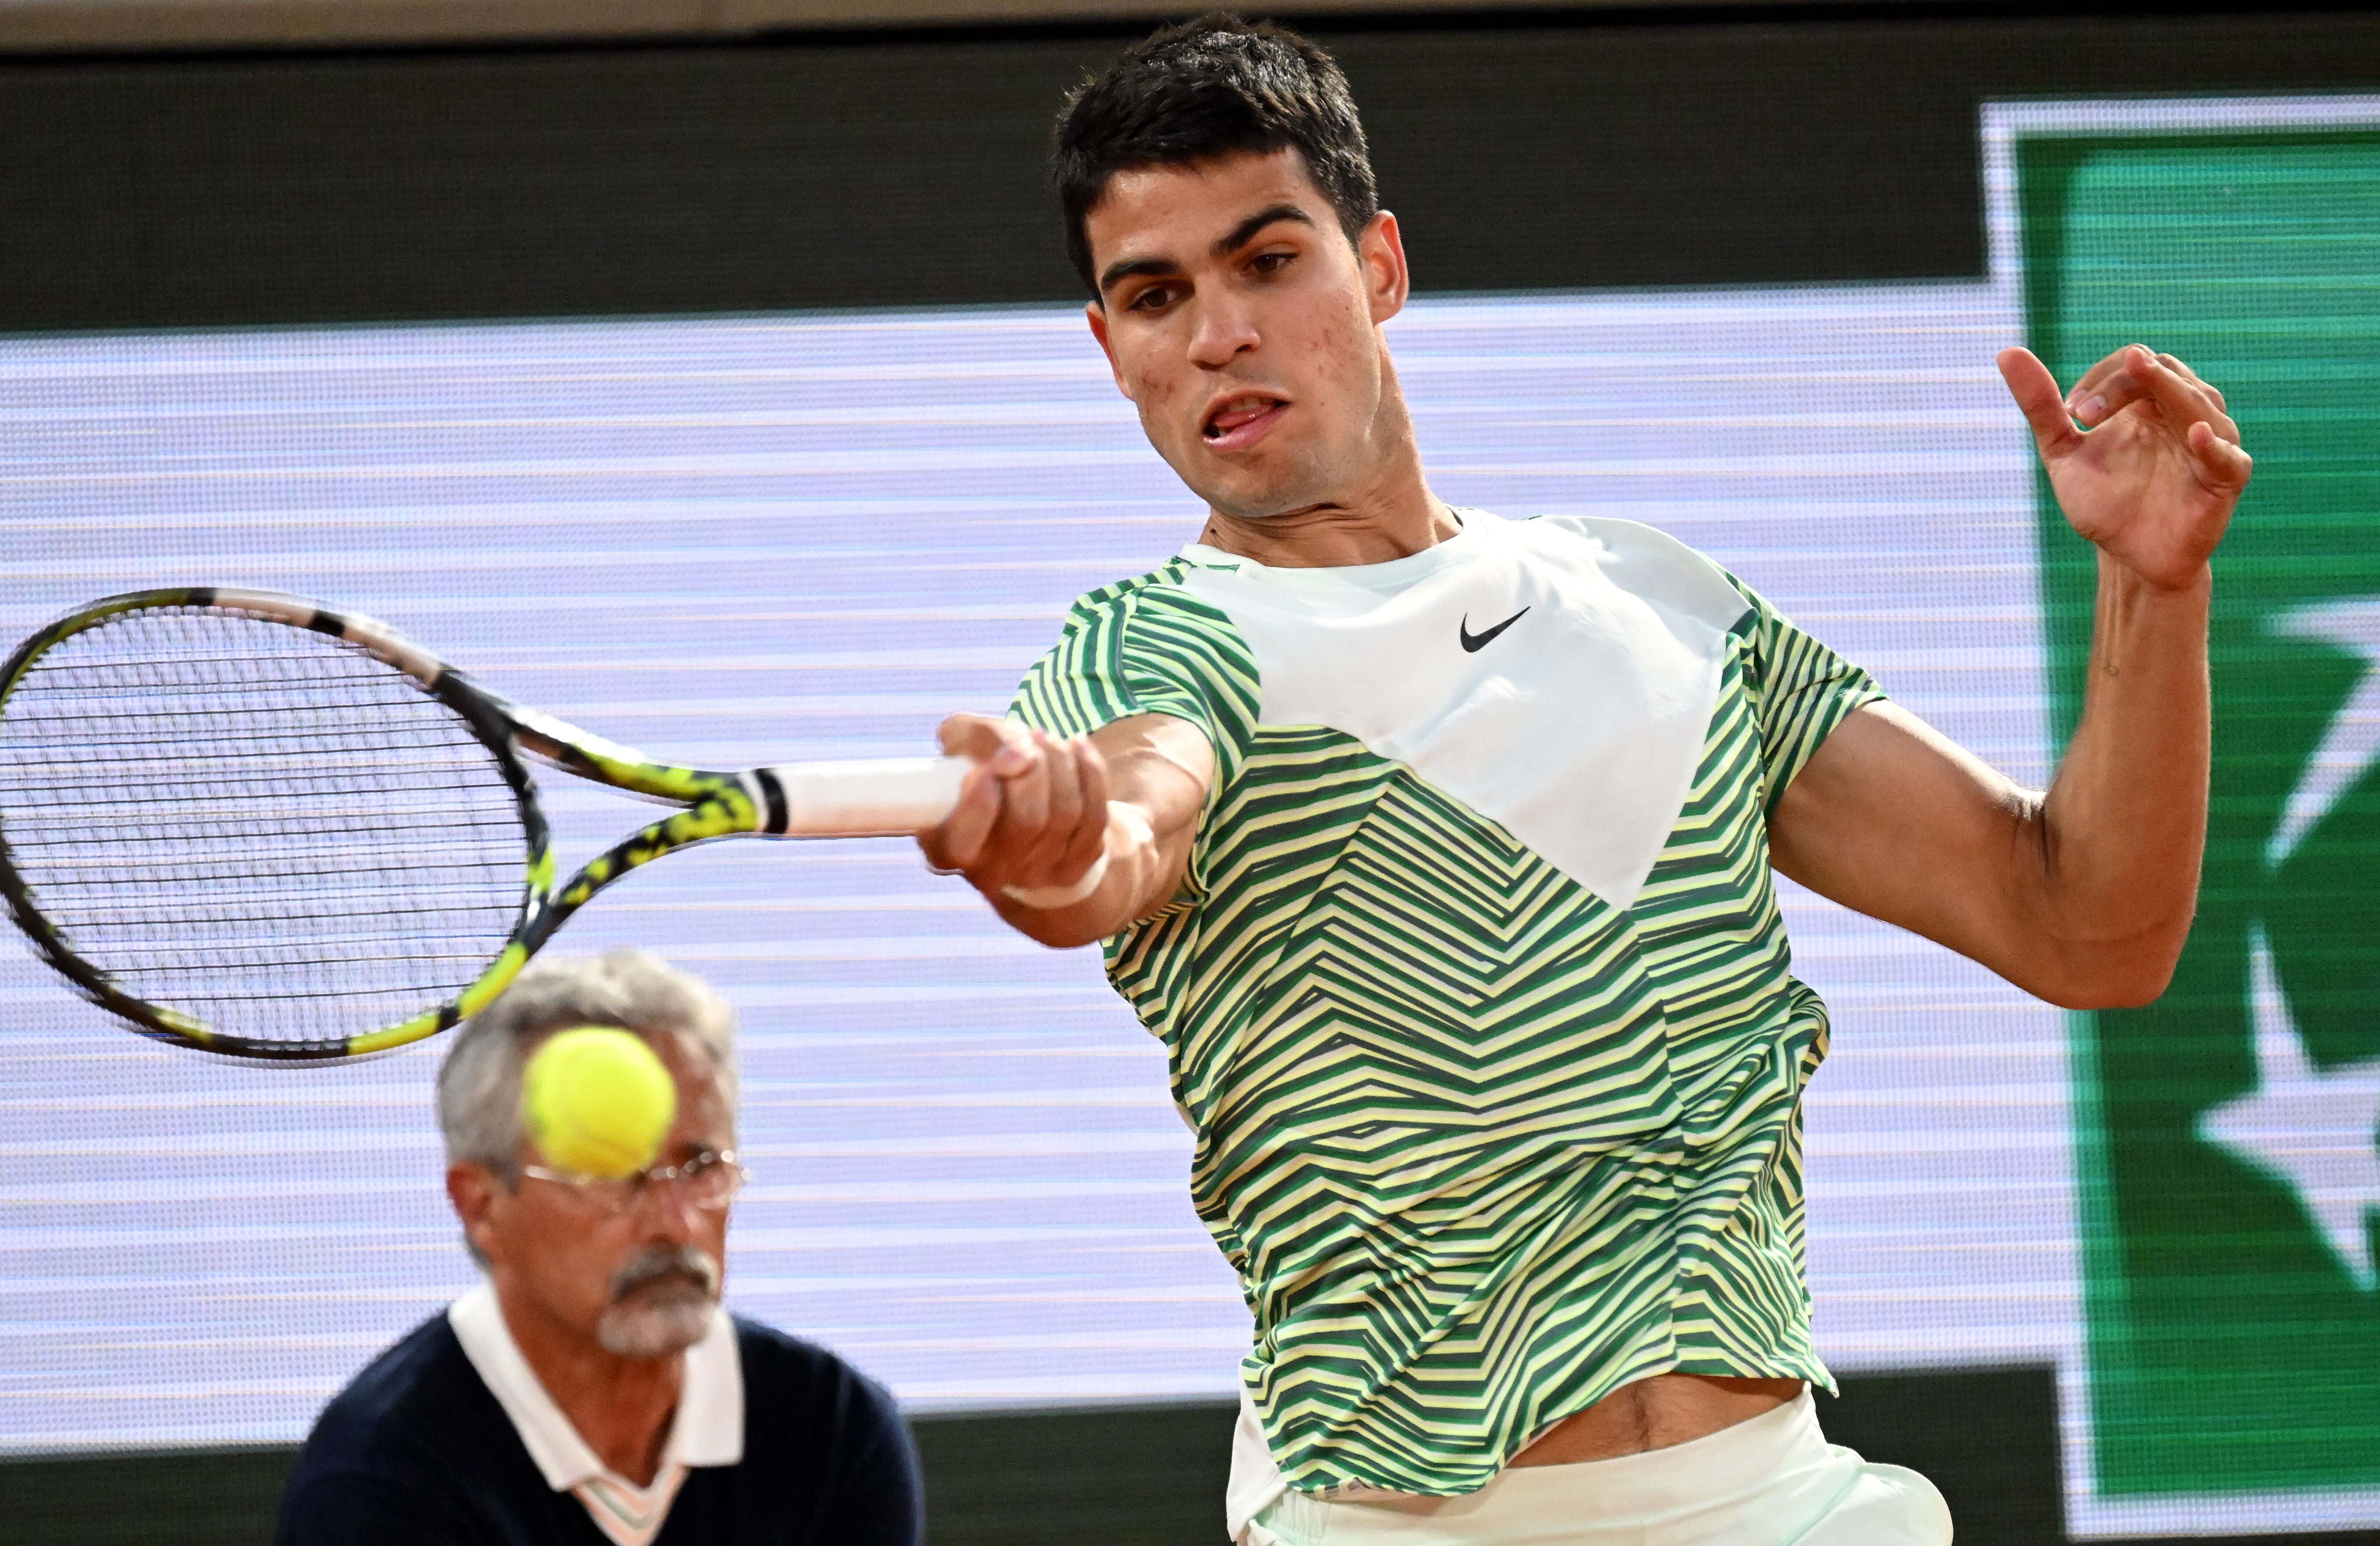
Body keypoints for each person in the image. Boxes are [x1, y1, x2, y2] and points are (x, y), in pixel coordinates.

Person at [918, 15, 2250, 1546]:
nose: (1216, 331)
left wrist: (2152, 591)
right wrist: (1054, 838)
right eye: (1154, 297)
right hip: (1399, 1523)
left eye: (1266, 261)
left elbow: (2082, 925)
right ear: (1111, 351)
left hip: (1782, 1502)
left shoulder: (1651, 597)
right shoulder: (1144, 649)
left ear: (1379, 268)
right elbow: (1120, 825)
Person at [275, 950, 922, 1546]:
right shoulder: (378, 1486)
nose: (673, 1224)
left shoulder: (833, 1431)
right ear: (482, 1206)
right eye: (610, 1174)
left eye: (699, 1166)